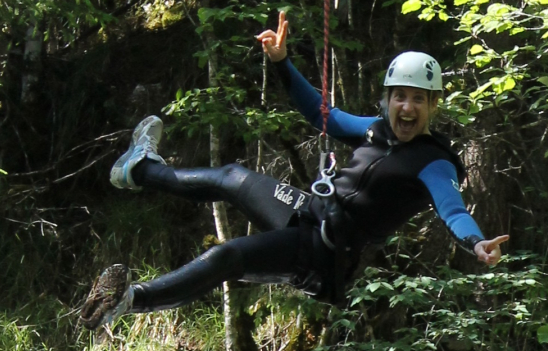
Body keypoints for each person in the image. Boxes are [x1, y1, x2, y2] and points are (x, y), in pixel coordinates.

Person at [80, 12, 509, 328]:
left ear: (433, 105)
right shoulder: (376, 130)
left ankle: (131, 301)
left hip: (323, 253)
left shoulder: (433, 161)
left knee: (227, 256)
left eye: (418, 99)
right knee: (232, 176)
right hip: (308, 212)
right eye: (399, 97)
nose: (407, 107)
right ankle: (139, 171)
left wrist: (476, 242)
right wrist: (282, 61)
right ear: (388, 100)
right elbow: (323, 114)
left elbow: (453, 211)